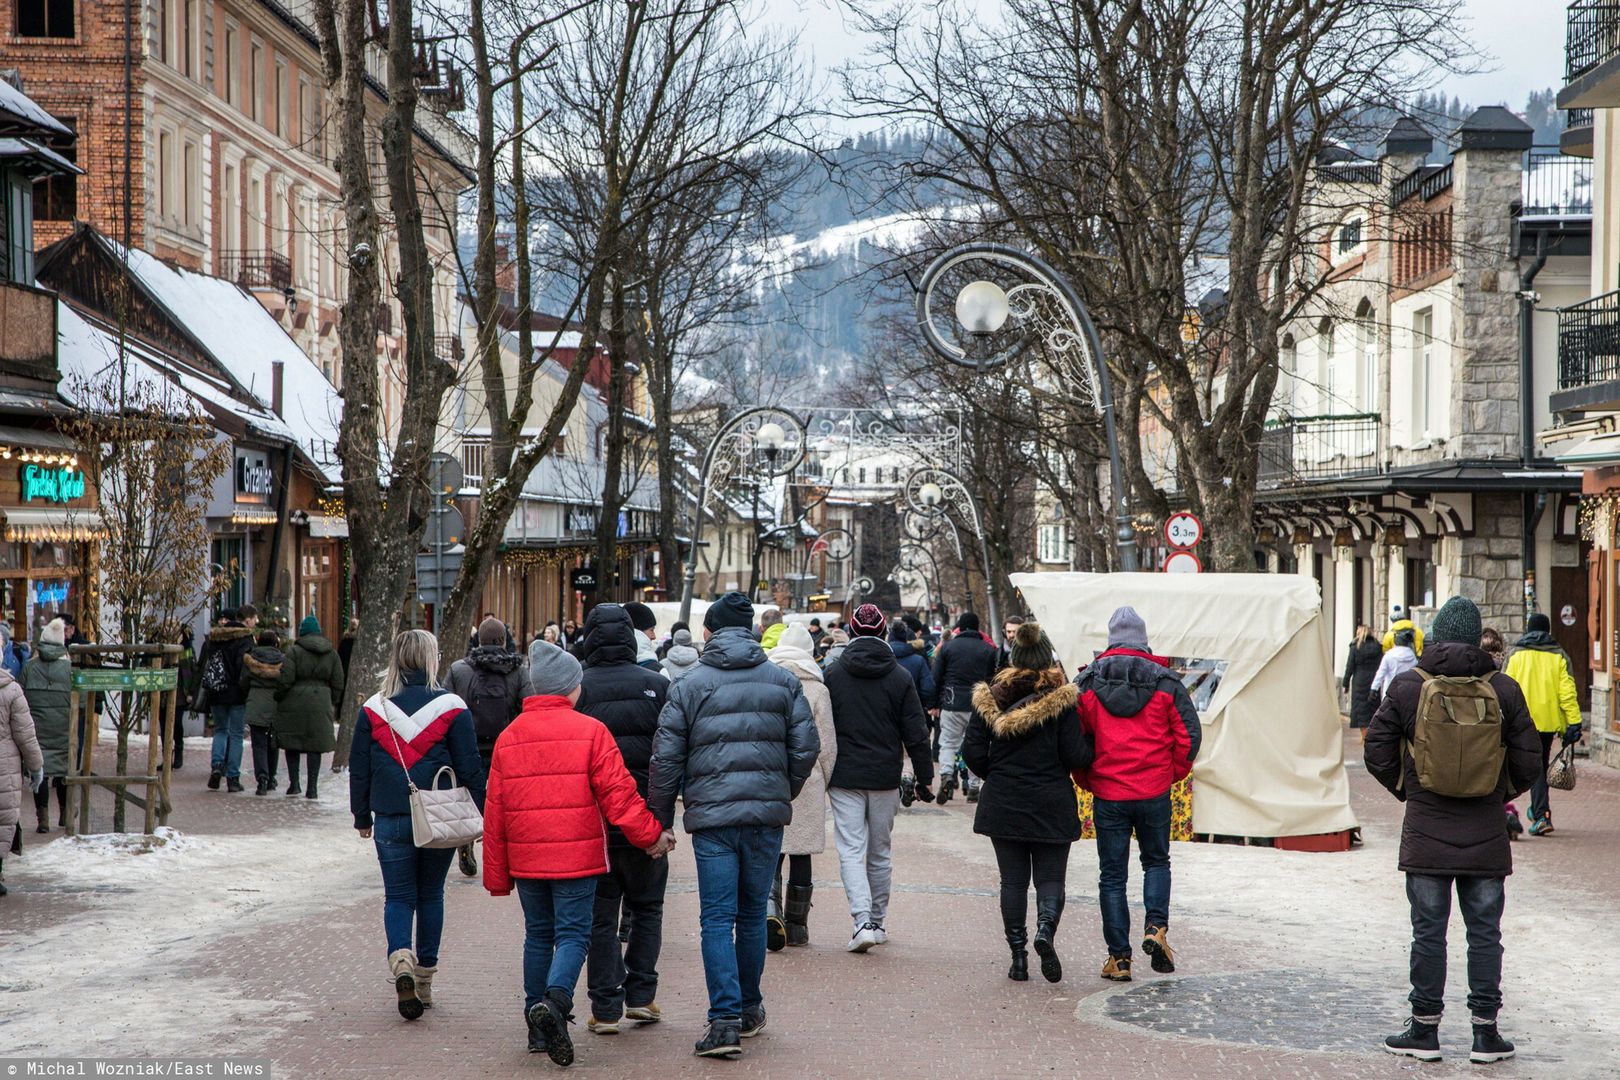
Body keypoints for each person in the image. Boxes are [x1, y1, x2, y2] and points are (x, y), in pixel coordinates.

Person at [1364, 596, 1540, 1065]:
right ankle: (1485, 1034)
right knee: (1484, 935)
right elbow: (1529, 761)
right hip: (1485, 833)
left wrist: (1412, 790)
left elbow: (1376, 751)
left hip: (1426, 831)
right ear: (1477, 637)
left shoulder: (1407, 686)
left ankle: (1424, 1031)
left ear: (1437, 636)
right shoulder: (1504, 689)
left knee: (1429, 934)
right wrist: (1497, 791)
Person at [647, 591, 818, 1059]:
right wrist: (782, 791)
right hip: (765, 817)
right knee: (751, 914)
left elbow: (665, 759)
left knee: (717, 918)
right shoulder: (783, 683)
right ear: (753, 632)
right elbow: (806, 749)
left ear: (710, 632)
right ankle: (749, 1009)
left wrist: (660, 819)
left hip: (713, 818)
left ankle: (723, 1020)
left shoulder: (688, 685)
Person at [484, 639, 672, 1066]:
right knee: (573, 935)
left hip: (527, 858)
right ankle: (554, 1002)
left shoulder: (510, 736)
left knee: (538, 935)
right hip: (578, 857)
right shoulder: (591, 731)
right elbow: (619, 797)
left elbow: (494, 810)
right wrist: (650, 836)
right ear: (570, 688)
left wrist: (497, 874)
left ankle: (536, 1027)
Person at [351, 630, 486, 1021]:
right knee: (430, 895)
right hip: (438, 818)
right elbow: (469, 765)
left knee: (398, 896)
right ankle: (424, 980)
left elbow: (359, 769)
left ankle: (401, 961)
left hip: (391, 817)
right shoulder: (451, 707)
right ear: (431, 659)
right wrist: (483, 811)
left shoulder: (373, 708)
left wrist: (361, 816)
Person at [1072, 606, 1201, 983]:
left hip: (1109, 791)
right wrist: (1171, 773)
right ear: (1144, 640)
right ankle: (1155, 928)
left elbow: (1076, 739)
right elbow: (1189, 737)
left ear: (1110, 640)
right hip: (1154, 790)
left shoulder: (1087, 683)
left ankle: (1119, 959)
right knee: (1156, 862)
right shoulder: (1166, 683)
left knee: (1111, 876)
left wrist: (1086, 777)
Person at [962, 620, 1092, 982]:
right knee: (1051, 880)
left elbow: (971, 750)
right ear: (1046, 657)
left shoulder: (991, 697)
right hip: (1051, 799)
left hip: (1004, 800)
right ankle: (1045, 931)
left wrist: (997, 774)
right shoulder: (1063, 700)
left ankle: (1018, 956)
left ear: (1013, 656)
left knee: (1013, 883)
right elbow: (1076, 755)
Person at [571, 604, 672, 1036]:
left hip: (594, 823)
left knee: (600, 917)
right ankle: (642, 997)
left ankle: (606, 1007)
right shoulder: (658, 686)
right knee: (647, 908)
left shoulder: (578, 689)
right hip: (644, 820)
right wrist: (662, 820)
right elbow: (669, 759)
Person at [824, 603, 934, 954]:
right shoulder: (899, 676)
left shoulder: (834, 675)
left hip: (844, 775)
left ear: (852, 633)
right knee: (880, 852)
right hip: (885, 775)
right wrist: (923, 776)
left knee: (851, 850)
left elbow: (823, 730)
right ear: (884, 633)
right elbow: (916, 732)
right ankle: (878, 920)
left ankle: (862, 921)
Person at [766, 623, 838, 949]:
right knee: (802, 852)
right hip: (808, 778)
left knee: (772, 849)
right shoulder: (818, 689)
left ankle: (770, 910)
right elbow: (827, 744)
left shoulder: (767, 681)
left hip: (772, 775)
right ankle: (797, 927)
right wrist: (824, 776)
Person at [447, 616, 530, 877]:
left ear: (478, 640)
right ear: (504, 640)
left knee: (468, 796)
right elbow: (529, 706)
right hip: (505, 747)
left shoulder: (459, 669)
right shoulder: (518, 670)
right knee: (506, 800)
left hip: (467, 746)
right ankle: (505, 852)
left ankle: (467, 839)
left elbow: (445, 706)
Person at [1502, 612, 1583, 837]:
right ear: (1548, 631)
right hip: (1547, 724)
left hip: (1520, 723)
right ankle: (1539, 812)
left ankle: (1538, 813)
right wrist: (1573, 723)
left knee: (1518, 766)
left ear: (1528, 630)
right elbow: (1567, 693)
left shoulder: (1516, 655)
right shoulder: (1559, 656)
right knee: (1539, 766)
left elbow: (1506, 689)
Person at [275, 615, 346, 799]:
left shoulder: (294, 652)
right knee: (315, 745)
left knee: (292, 743)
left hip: (294, 700)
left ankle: (294, 784)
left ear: (302, 633)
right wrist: (332, 701)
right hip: (321, 700)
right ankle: (312, 788)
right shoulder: (331, 653)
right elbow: (338, 681)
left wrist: (279, 696)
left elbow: (286, 678)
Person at [932, 613, 999, 804]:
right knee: (975, 744)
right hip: (977, 704)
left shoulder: (948, 648)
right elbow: (991, 679)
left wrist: (934, 703)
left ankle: (946, 774)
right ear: (978, 628)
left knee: (948, 743)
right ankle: (973, 786)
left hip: (951, 701)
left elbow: (937, 677)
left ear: (959, 628)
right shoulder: (988, 649)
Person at [198, 607, 255, 793]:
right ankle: (232, 777)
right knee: (236, 735)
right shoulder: (244, 639)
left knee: (220, 730)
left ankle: (216, 765)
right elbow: (243, 667)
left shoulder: (216, 638)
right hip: (236, 693)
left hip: (217, 691)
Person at [23, 618, 71, 832]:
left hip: (37, 729)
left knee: (39, 771)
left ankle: (43, 819)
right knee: (63, 771)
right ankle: (64, 813)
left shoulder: (30, 667)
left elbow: (20, 695)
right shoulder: (69, 669)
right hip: (62, 729)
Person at [0, 655, 42, 898]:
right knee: (3, 817)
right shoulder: (11, 690)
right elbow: (26, 735)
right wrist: (36, 767)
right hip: (5, 767)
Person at [240, 629, 284, 796]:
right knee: (273, 743)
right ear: (275, 643)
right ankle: (272, 777)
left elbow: (243, 683)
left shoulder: (250, 659)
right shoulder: (283, 660)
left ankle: (262, 780)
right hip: (275, 705)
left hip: (256, 704)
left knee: (259, 744)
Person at [1342, 623, 1383, 742]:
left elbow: (1349, 666)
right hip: (1374, 680)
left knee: (1361, 710)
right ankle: (1371, 734)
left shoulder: (1355, 647)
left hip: (1359, 681)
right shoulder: (1378, 647)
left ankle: (1364, 736)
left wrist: (1345, 683)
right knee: (1372, 707)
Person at [888, 622, 936, 712]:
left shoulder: (881, 658)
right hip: (913, 710)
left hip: (886, 712)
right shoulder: (918, 661)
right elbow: (928, 689)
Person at [1371, 628, 1419, 700]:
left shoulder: (1389, 655)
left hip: (1390, 690)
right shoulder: (1413, 657)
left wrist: (1374, 688)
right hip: (1408, 691)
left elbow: (1381, 673)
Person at [174, 625, 195, 770]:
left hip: (180, 692)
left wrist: (190, 692)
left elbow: (191, 671)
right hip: (163, 693)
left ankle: (178, 751)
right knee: (163, 724)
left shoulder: (187, 651)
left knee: (176, 723)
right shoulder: (162, 648)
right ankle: (167, 754)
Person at [623, 602, 663, 672]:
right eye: (651, 630)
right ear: (637, 632)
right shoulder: (656, 670)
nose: (654, 637)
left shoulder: (603, 666)